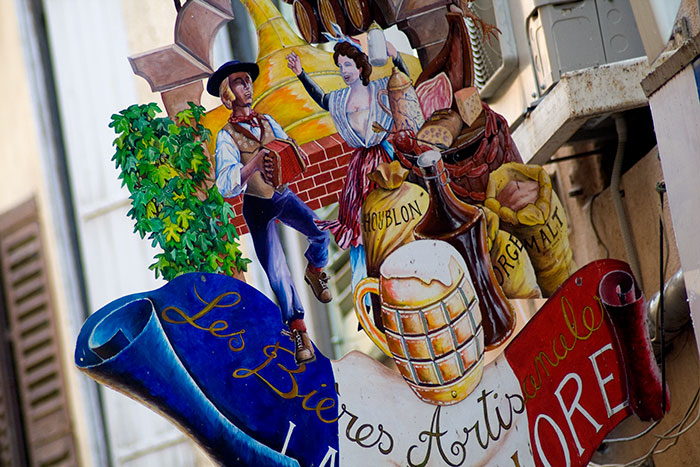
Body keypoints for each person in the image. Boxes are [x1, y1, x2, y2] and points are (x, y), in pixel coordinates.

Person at [206, 60, 332, 365]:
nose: (247, 86)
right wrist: (254, 164)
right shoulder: (226, 137)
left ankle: (315, 270)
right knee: (277, 270)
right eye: (239, 82)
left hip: (282, 195)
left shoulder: (267, 121)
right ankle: (298, 328)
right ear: (227, 93)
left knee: (321, 232)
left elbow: (286, 142)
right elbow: (226, 184)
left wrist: (293, 150)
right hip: (257, 206)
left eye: (248, 81)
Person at [286, 36, 411, 294]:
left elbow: (405, 88)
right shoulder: (340, 100)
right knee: (363, 228)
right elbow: (322, 99)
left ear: (360, 65)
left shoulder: (379, 89)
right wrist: (301, 74)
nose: (344, 71)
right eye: (340, 66)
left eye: (348, 65)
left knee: (399, 215)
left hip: (386, 161)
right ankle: (370, 286)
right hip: (361, 170)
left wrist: (396, 57)